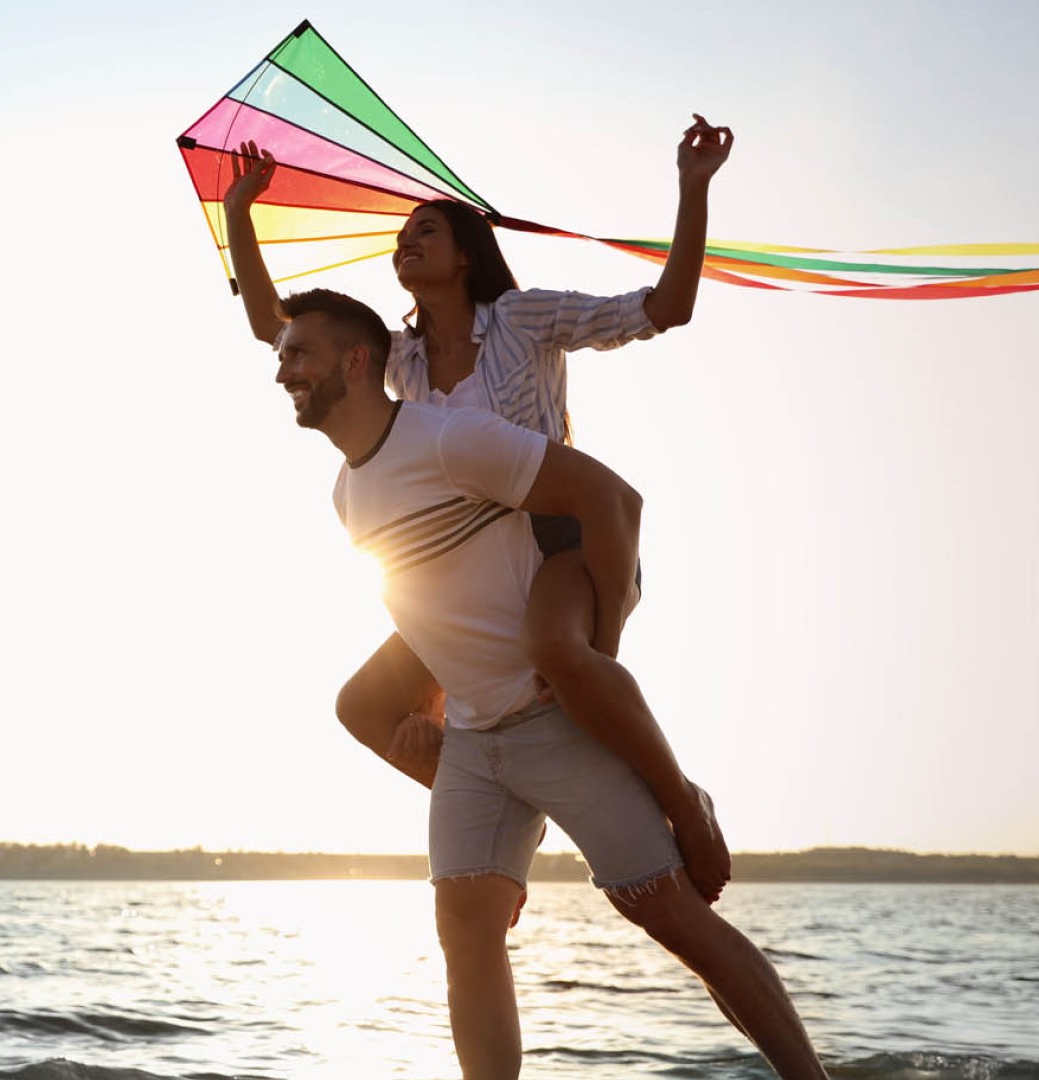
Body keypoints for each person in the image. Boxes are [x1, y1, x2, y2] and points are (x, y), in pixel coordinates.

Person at [270, 287, 826, 1078]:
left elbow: (612, 499)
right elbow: (434, 612)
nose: (282, 370)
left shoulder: (450, 439)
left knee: (669, 917)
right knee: (464, 929)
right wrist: (430, 719)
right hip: (472, 742)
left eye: (298, 354)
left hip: (551, 719)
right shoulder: (346, 493)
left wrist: (598, 653)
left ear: (355, 362)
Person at [222, 115, 735, 900]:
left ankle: (680, 803)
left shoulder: (526, 319)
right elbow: (280, 329)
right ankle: (499, 819)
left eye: (423, 231)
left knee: (561, 656)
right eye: (399, 238)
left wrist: (692, 187)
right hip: (466, 576)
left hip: (563, 540)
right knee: (362, 706)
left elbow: (667, 306)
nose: (405, 244)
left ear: (467, 252)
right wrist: (240, 215)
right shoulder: (399, 357)